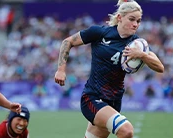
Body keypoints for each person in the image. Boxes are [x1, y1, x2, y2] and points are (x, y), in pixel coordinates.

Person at [54, 0, 164, 138]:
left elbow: (160, 67)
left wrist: (141, 55)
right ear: (119, 18)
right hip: (92, 98)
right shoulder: (100, 33)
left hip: (114, 101)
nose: (135, 24)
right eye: (131, 19)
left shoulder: (137, 44)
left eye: (138, 21)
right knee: (126, 130)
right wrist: (61, 69)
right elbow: (67, 42)